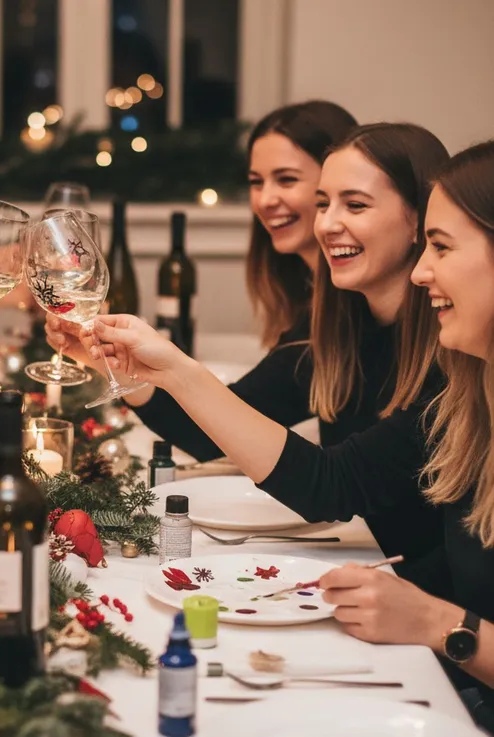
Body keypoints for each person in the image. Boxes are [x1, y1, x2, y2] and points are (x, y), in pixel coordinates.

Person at [49, 123, 449, 564]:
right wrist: (124, 369)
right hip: (359, 567)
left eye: (354, 205)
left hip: (424, 603)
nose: (328, 224)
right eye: (323, 203)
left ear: (421, 220)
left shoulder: (451, 355)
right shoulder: (336, 328)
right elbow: (218, 431)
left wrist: (180, 370)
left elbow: (331, 485)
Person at [319, 140, 494, 729]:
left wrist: (435, 624)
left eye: (441, 247)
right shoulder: (472, 399)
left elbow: (335, 480)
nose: (422, 272)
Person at [246, 101, 357, 347]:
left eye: (286, 179)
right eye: (256, 182)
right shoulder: (298, 288)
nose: (265, 200)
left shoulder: (358, 303)